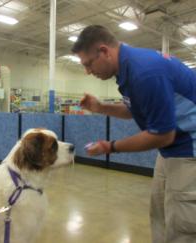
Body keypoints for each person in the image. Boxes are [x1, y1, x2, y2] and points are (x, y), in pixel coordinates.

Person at [72, 25, 196, 243]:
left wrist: (110, 146)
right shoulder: (127, 69)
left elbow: (162, 135)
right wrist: (100, 107)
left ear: (104, 51)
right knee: (159, 213)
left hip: (189, 149)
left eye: (89, 64)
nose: (88, 71)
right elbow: (136, 109)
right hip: (171, 148)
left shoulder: (144, 72)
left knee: (182, 225)